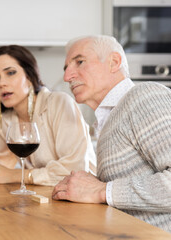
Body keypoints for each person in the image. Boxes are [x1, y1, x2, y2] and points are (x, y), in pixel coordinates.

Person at [52, 35, 171, 232]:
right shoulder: (109, 120)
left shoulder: (144, 97)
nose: (67, 77)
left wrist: (100, 190)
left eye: (79, 62)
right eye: (66, 69)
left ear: (114, 62)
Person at [0, 45, 96, 186]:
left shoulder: (59, 103)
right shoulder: (5, 117)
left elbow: (74, 170)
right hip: (46, 196)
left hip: (84, 196)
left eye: (10, 73)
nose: (1, 83)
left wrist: (17, 175)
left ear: (29, 76)